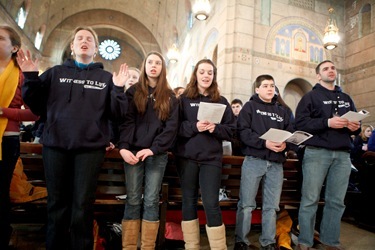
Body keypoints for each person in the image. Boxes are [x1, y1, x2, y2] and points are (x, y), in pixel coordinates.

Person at [19, 26, 129, 250]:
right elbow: (35, 104)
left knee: (82, 205)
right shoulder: (55, 73)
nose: (84, 41)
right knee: (56, 205)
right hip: (55, 145)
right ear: (72, 46)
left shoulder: (106, 78)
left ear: (96, 49)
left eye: (89, 39)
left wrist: (118, 89)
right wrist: (30, 76)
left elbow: (117, 114)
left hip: (89, 149)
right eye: (79, 38)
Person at [294, 60, 361, 250]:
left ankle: (330, 241)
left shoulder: (347, 98)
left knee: (337, 201)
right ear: (318, 75)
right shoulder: (310, 97)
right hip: (317, 153)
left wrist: (355, 127)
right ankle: (305, 241)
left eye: (332, 68)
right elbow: (300, 124)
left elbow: (357, 127)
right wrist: (327, 123)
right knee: (310, 199)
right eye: (325, 69)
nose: (330, 71)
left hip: (342, 155)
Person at [118, 51, 179, 249]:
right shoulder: (133, 92)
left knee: (152, 200)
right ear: (145, 66)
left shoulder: (169, 97)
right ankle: (128, 246)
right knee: (134, 199)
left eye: (158, 63)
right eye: (150, 62)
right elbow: (126, 122)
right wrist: (124, 148)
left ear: (163, 68)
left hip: (157, 154)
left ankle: (147, 246)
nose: (154, 65)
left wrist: (153, 149)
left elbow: (171, 128)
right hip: (133, 152)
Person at [173, 59, 235, 249]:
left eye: (210, 72)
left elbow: (231, 131)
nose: (206, 76)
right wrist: (195, 126)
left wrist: (215, 129)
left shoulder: (221, 101)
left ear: (214, 76)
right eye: (202, 72)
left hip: (211, 159)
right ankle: (191, 245)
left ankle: (219, 247)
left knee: (211, 203)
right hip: (187, 158)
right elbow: (175, 128)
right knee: (189, 201)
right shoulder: (184, 99)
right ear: (196, 75)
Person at [234, 74, 293, 250]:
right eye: (265, 85)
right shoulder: (250, 107)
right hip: (254, 160)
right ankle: (241, 241)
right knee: (246, 204)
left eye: (272, 86)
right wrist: (264, 142)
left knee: (271, 206)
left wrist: (285, 144)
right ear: (257, 89)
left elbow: (290, 131)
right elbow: (242, 132)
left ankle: (268, 242)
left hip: (276, 164)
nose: (269, 89)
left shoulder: (282, 111)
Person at [0, 25, 39, 249]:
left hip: (7, 140)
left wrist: (4, 112)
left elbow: (35, 113)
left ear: (14, 47)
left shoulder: (21, 75)